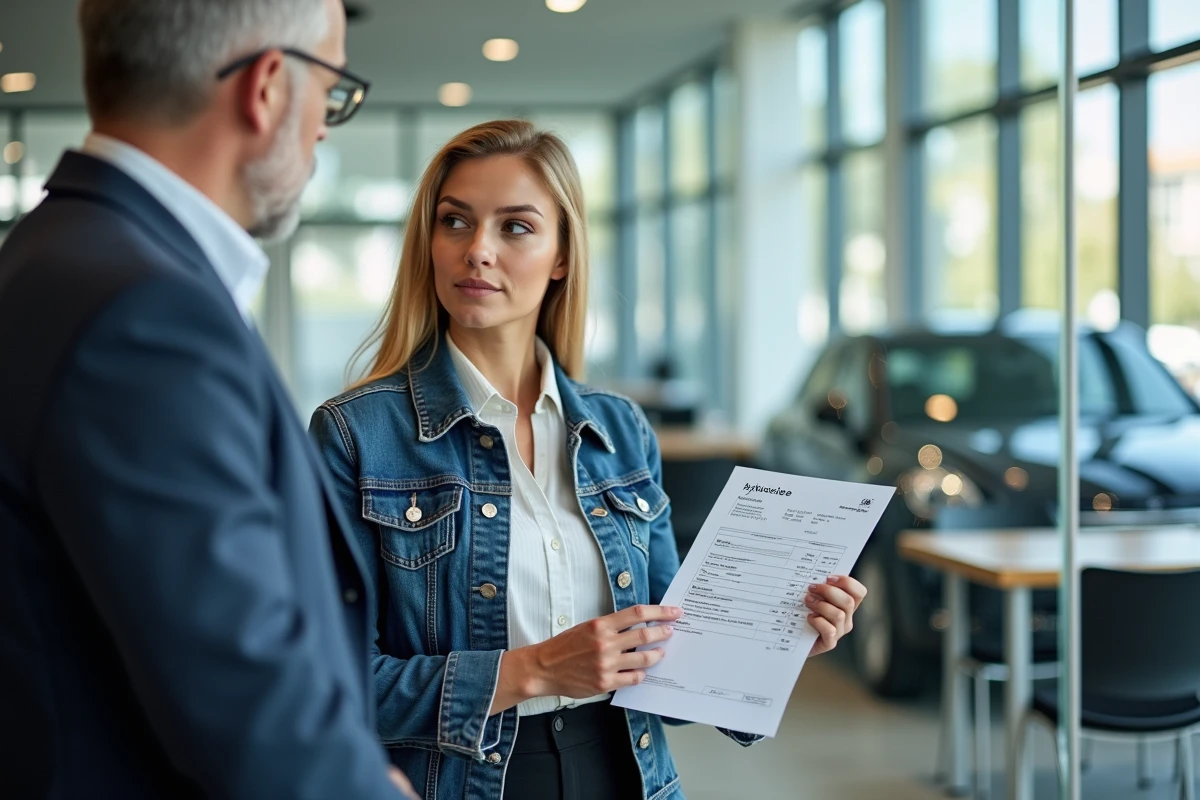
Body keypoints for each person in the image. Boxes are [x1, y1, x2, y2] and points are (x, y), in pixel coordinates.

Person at [309, 119, 868, 800]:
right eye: (455, 222)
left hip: (626, 774)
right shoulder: (357, 434)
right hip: (458, 781)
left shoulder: (619, 429)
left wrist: (775, 646)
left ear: (563, 255)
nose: (477, 250)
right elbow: (329, 684)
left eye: (515, 227)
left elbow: (666, 672)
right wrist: (536, 670)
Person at [0, 1, 415, 797]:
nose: (325, 128)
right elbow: (244, 696)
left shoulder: (57, 253)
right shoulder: (145, 313)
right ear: (266, 88)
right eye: (329, 89)